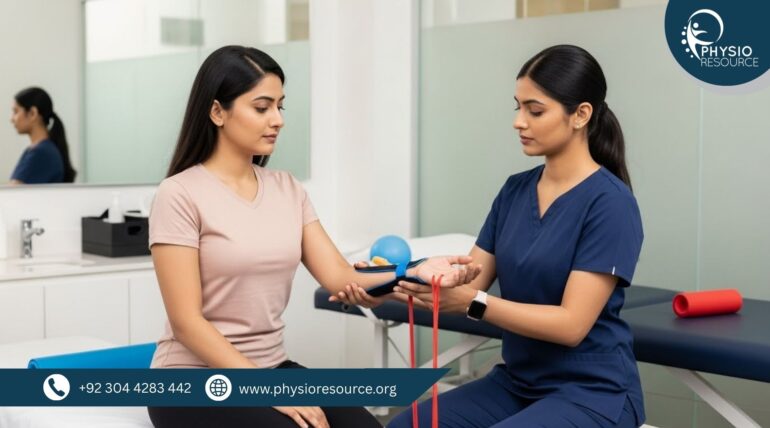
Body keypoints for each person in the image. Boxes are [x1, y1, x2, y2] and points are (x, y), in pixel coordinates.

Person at [146, 45, 481, 428]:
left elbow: (340, 277)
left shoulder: (288, 189)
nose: (278, 119)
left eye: (280, 106)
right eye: (262, 107)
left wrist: (418, 270)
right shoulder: (180, 194)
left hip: (271, 366)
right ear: (218, 111)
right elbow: (187, 323)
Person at [338, 45, 645, 428]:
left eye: (534, 111)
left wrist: (474, 302)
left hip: (592, 392)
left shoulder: (610, 203)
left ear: (581, 115)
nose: (519, 121)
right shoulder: (515, 192)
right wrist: (385, 284)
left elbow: (571, 325)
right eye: (517, 107)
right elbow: (467, 282)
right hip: (518, 384)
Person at [9, 87, 76, 184]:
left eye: (16, 112)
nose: (12, 119)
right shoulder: (38, 150)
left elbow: (13, 193)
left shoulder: (41, 153)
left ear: (33, 113)